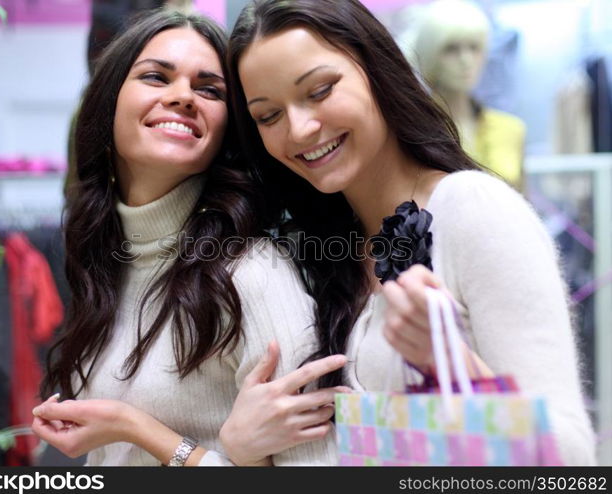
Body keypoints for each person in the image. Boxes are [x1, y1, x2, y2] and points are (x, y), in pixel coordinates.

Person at [221, 0, 595, 465]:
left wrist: (451, 368)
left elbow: (572, 459)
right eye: (268, 116)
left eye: (319, 90)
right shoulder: (322, 254)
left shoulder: (473, 209)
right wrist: (238, 446)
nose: (299, 129)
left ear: (376, 71)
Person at [32, 9, 345, 466]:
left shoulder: (252, 274)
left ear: (227, 130)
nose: (182, 98)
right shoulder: (106, 262)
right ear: (108, 103)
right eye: (157, 77)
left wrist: (137, 428)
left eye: (208, 89)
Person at [409, 0, 526, 190]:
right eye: (451, 49)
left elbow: (523, 202)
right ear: (430, 54)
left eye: (474, 48)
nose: (466, 60)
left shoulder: (510, 129)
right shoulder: (412, 131)